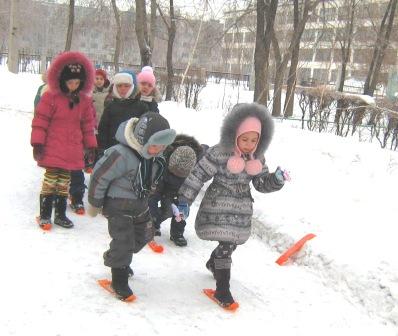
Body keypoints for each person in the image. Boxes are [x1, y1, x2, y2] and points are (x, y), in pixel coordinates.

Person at [178, 103, 288, 309]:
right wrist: (184, 201)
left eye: (254, 140)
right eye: (244, 139)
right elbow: (198, 175)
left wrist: (276, 179)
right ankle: (222, 290)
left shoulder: (257, 158)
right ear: (234, 134)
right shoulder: (219, 153)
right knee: (227, 246)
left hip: (241, 209)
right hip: (217, 206)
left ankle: (214, 263)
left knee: (231, 243)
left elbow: (261, 183)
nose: (248, 144)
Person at [87, 112, 176, 301]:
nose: (158, 150)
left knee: (145, 234)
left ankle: (118, 257)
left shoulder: (154, 158)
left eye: (162, 146)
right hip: (117, 205)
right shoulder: (121, 153)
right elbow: (99, 176)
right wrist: (95, 202)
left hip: (140, 204)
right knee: (124, 241)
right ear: (142, 139)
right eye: (154, 145)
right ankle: (118, 277)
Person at [31, 51, 97, 230]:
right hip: (53, 146)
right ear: (62, 80)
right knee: (51, 180)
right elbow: (40, 121)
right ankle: (45, 214)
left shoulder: (83, 101)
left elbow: (87, 124)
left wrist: (91, 145)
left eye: (77, 83)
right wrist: (38, 143)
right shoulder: (51, 97)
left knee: (63, 183)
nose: (73, 86)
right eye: (70, 82)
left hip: (72, 148)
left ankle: (60, 214)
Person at [148, 134, 204, 246]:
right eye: (174, 171)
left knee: (180, 207)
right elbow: (153, 196)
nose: (176, 174)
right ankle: (151, 224)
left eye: (179, 174)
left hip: (178, 188)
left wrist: (183, 204)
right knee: (151, 201)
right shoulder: (163, 157)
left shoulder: (197, 165)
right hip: (161, 181)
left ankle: (177, 233)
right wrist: (152, 217)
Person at [97, 70, 152, 152]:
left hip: (133, 150)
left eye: (126, 86)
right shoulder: (110, 106)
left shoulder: (142, 107)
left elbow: (145, 129)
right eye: (119, 86)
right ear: (115, 87)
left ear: (132, 87)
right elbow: (103, 129)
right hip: (112, 149)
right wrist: (102, 149)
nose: (123, 88)